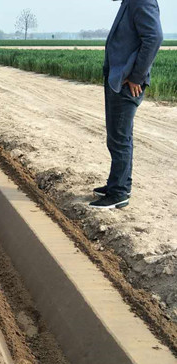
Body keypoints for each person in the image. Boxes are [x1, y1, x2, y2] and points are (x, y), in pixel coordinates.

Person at [90, 0, 163, 209]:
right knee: (120, 137)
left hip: (126, 82)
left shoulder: (141, 0)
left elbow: (154, 37)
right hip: (119, 80)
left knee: (119, 139)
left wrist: (136, 76)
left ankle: (118, 193)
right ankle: (119, 184)